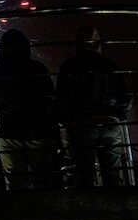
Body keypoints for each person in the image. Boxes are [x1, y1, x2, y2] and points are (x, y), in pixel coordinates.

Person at [0, 28, 60, 190]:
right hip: (38, 132)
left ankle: (20, 213)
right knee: (42, 181)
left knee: (15, 184)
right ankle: (43, 212)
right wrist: (53, 131)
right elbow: (51, 103)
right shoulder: (38, 68)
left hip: (8, 134)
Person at [56, 25, 131, 187]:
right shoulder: (111, 65)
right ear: (98, 43)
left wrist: (66, 120)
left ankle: (89, 208)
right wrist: (118, 115)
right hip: (110, 122)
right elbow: (126, 98)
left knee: (85, 174)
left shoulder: (69, 66)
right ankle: (113, 207)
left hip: (80, 123)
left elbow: (62, 99)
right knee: (112, 174)